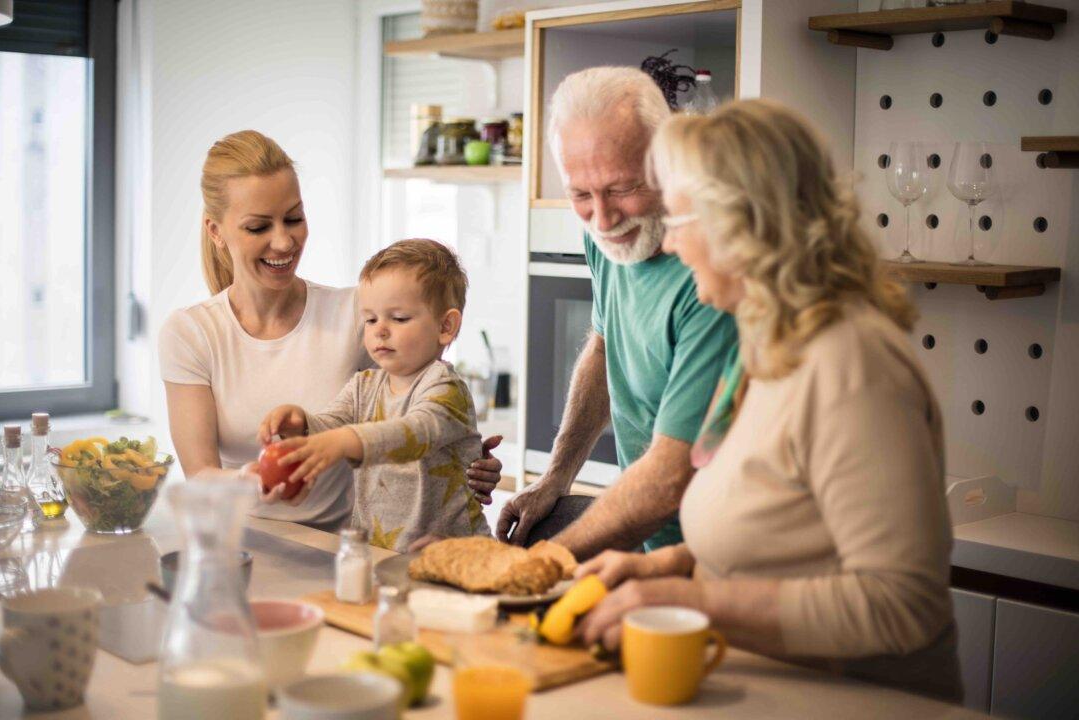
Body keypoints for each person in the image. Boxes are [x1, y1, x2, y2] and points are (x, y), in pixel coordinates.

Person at [575, 99, 961, 701]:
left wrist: (693, 600)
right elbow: (778, 541)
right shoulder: (766, 346)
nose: (670, 246)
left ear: (739, 225)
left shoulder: (850, 361)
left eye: (679, 221)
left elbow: (903, 604)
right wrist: (663, 567)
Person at [159, 130, 502, 531]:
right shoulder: (191, 332)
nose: (283, 241)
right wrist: (257, 479)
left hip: (349, 546)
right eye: (258, 227)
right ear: (216, 231)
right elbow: (200, 475)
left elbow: (420, 411)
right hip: (246, 540)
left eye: (294, 219)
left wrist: (463, 459)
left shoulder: (363, 314)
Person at [497, 67, 739, 558]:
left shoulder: (715, 275)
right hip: (647, 539)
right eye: (580, 195)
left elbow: (670, 478)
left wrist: (543, 563)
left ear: (666, 158)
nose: (603, 219)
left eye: (623, 188)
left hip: (716, 553)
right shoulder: (606, 233)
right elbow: (605, 345)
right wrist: (556, 477)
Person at [257, 240, 489, 551]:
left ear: (446, 326)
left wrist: (344, 441)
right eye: (370, 319)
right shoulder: (363, 385)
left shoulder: (445, 388)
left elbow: (413, 433)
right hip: (380, 553)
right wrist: (302, 424)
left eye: (399, 318)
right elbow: (332, 423)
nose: (380, 329)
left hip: (454, 556)